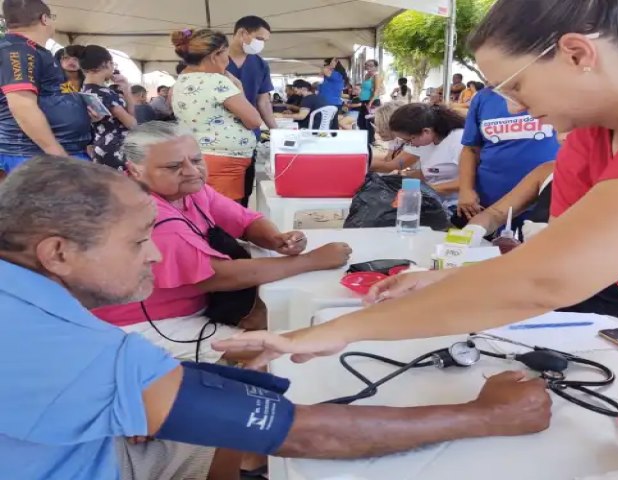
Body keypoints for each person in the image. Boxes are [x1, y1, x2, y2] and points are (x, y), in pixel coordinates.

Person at [0, 155, 553, 480]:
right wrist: (487, 416)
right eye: (140, 241)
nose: (155, 255)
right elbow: (303, 435)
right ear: (58, 253)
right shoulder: (60, 348)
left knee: (243, 406)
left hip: (71, 447)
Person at [212, 0, 618, 370]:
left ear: (577, 55)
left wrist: (341, 331)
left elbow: (544, 280)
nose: (513, 106)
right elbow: (554, 260)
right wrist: (448, 279)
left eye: (517, 86)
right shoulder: (589, 137)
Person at [92, 121, 353, 363]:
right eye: (173, 167)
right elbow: (216, 275)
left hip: (197, 300)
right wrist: (311, 261)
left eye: (196, 160)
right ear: (135, 171)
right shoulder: (149, 216)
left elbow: (244, 220)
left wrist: (276, 239)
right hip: (149, 322)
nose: (192, 171)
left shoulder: (188, 190)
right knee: (275, 352)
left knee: (272, 316)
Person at [380, 160, 618, 323]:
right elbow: (495, 214)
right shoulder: (548, 171)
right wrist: (467, 237)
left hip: (601, 300)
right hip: (530, 286)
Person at [0, 0, 92, 177]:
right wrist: (56, 152)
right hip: (34, 155)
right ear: (45, 19)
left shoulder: (36, 51)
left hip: (53, 152)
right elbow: (22, 106)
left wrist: (81, 108)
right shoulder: (18, 50)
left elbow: (57, 92)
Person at [170, 29, 261, 202]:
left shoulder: (181, 81)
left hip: (197, 155)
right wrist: (239, 87)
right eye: (226, 54)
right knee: (225, 215)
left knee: (205, 209)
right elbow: (254, 121)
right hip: (224, 163)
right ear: (214, 55)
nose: (228, 60)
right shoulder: (216, 81)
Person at [454, 86, 560, 228]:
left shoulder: (554, 92)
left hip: (546, 196)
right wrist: (466, 190)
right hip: (491, 200)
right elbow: (470, 149)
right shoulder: (483, 98)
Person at [227, 15, 277, 207]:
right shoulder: (215, 59)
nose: (262, 44)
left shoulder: (260, 64)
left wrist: (276, 130)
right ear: (242, 33)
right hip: (216, 134)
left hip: (248, 135)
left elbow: (263, 101)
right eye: (260, 39)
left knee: (244, 188)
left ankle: (238, 230)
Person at [389, 103, 466, 210]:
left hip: (459, 205)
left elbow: (471, 181)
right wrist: (403, 178)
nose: (411, 145)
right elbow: (431, 172)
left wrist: (426, 189)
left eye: (410, 140)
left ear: (426, 131)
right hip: (437, 201)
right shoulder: (426, 143)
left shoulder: (459, 141)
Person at [80, 45, 137, 171]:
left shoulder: (86, 90)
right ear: (105, 63)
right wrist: (127, 90)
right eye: (112, 63)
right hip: (117, 149)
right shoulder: (105, 93)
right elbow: (132, 123)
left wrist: (125, 89)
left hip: (101, 147)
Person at [369, 101, 420, 174]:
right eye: (377, 125)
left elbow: (392, 166)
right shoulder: (396, 141)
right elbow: (388, 160)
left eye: (383, 126)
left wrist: (361, 163)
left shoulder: (416, 142)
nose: (378, 130)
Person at [358, 59, 383, 145]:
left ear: (376, 67)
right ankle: (366, 140)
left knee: (369, 123)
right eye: (367, 65)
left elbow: (377, 90)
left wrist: (370, 102)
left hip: (372, 101)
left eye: (371, 65)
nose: (368, 67)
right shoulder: (366, 75)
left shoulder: (376, 76)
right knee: (360, 122)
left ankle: (371, 141)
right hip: (364, 101)